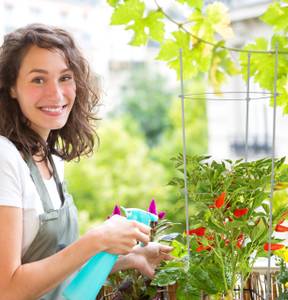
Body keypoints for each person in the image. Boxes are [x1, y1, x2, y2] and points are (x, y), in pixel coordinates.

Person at [0, 23, 172, 300]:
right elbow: (6, 288)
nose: (55, 94)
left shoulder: (51, 158)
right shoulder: (4, 157)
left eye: (65, 78)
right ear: (11, 87)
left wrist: (131, 258)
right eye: (38, 79)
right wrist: (97, 239)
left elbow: (55, 268)